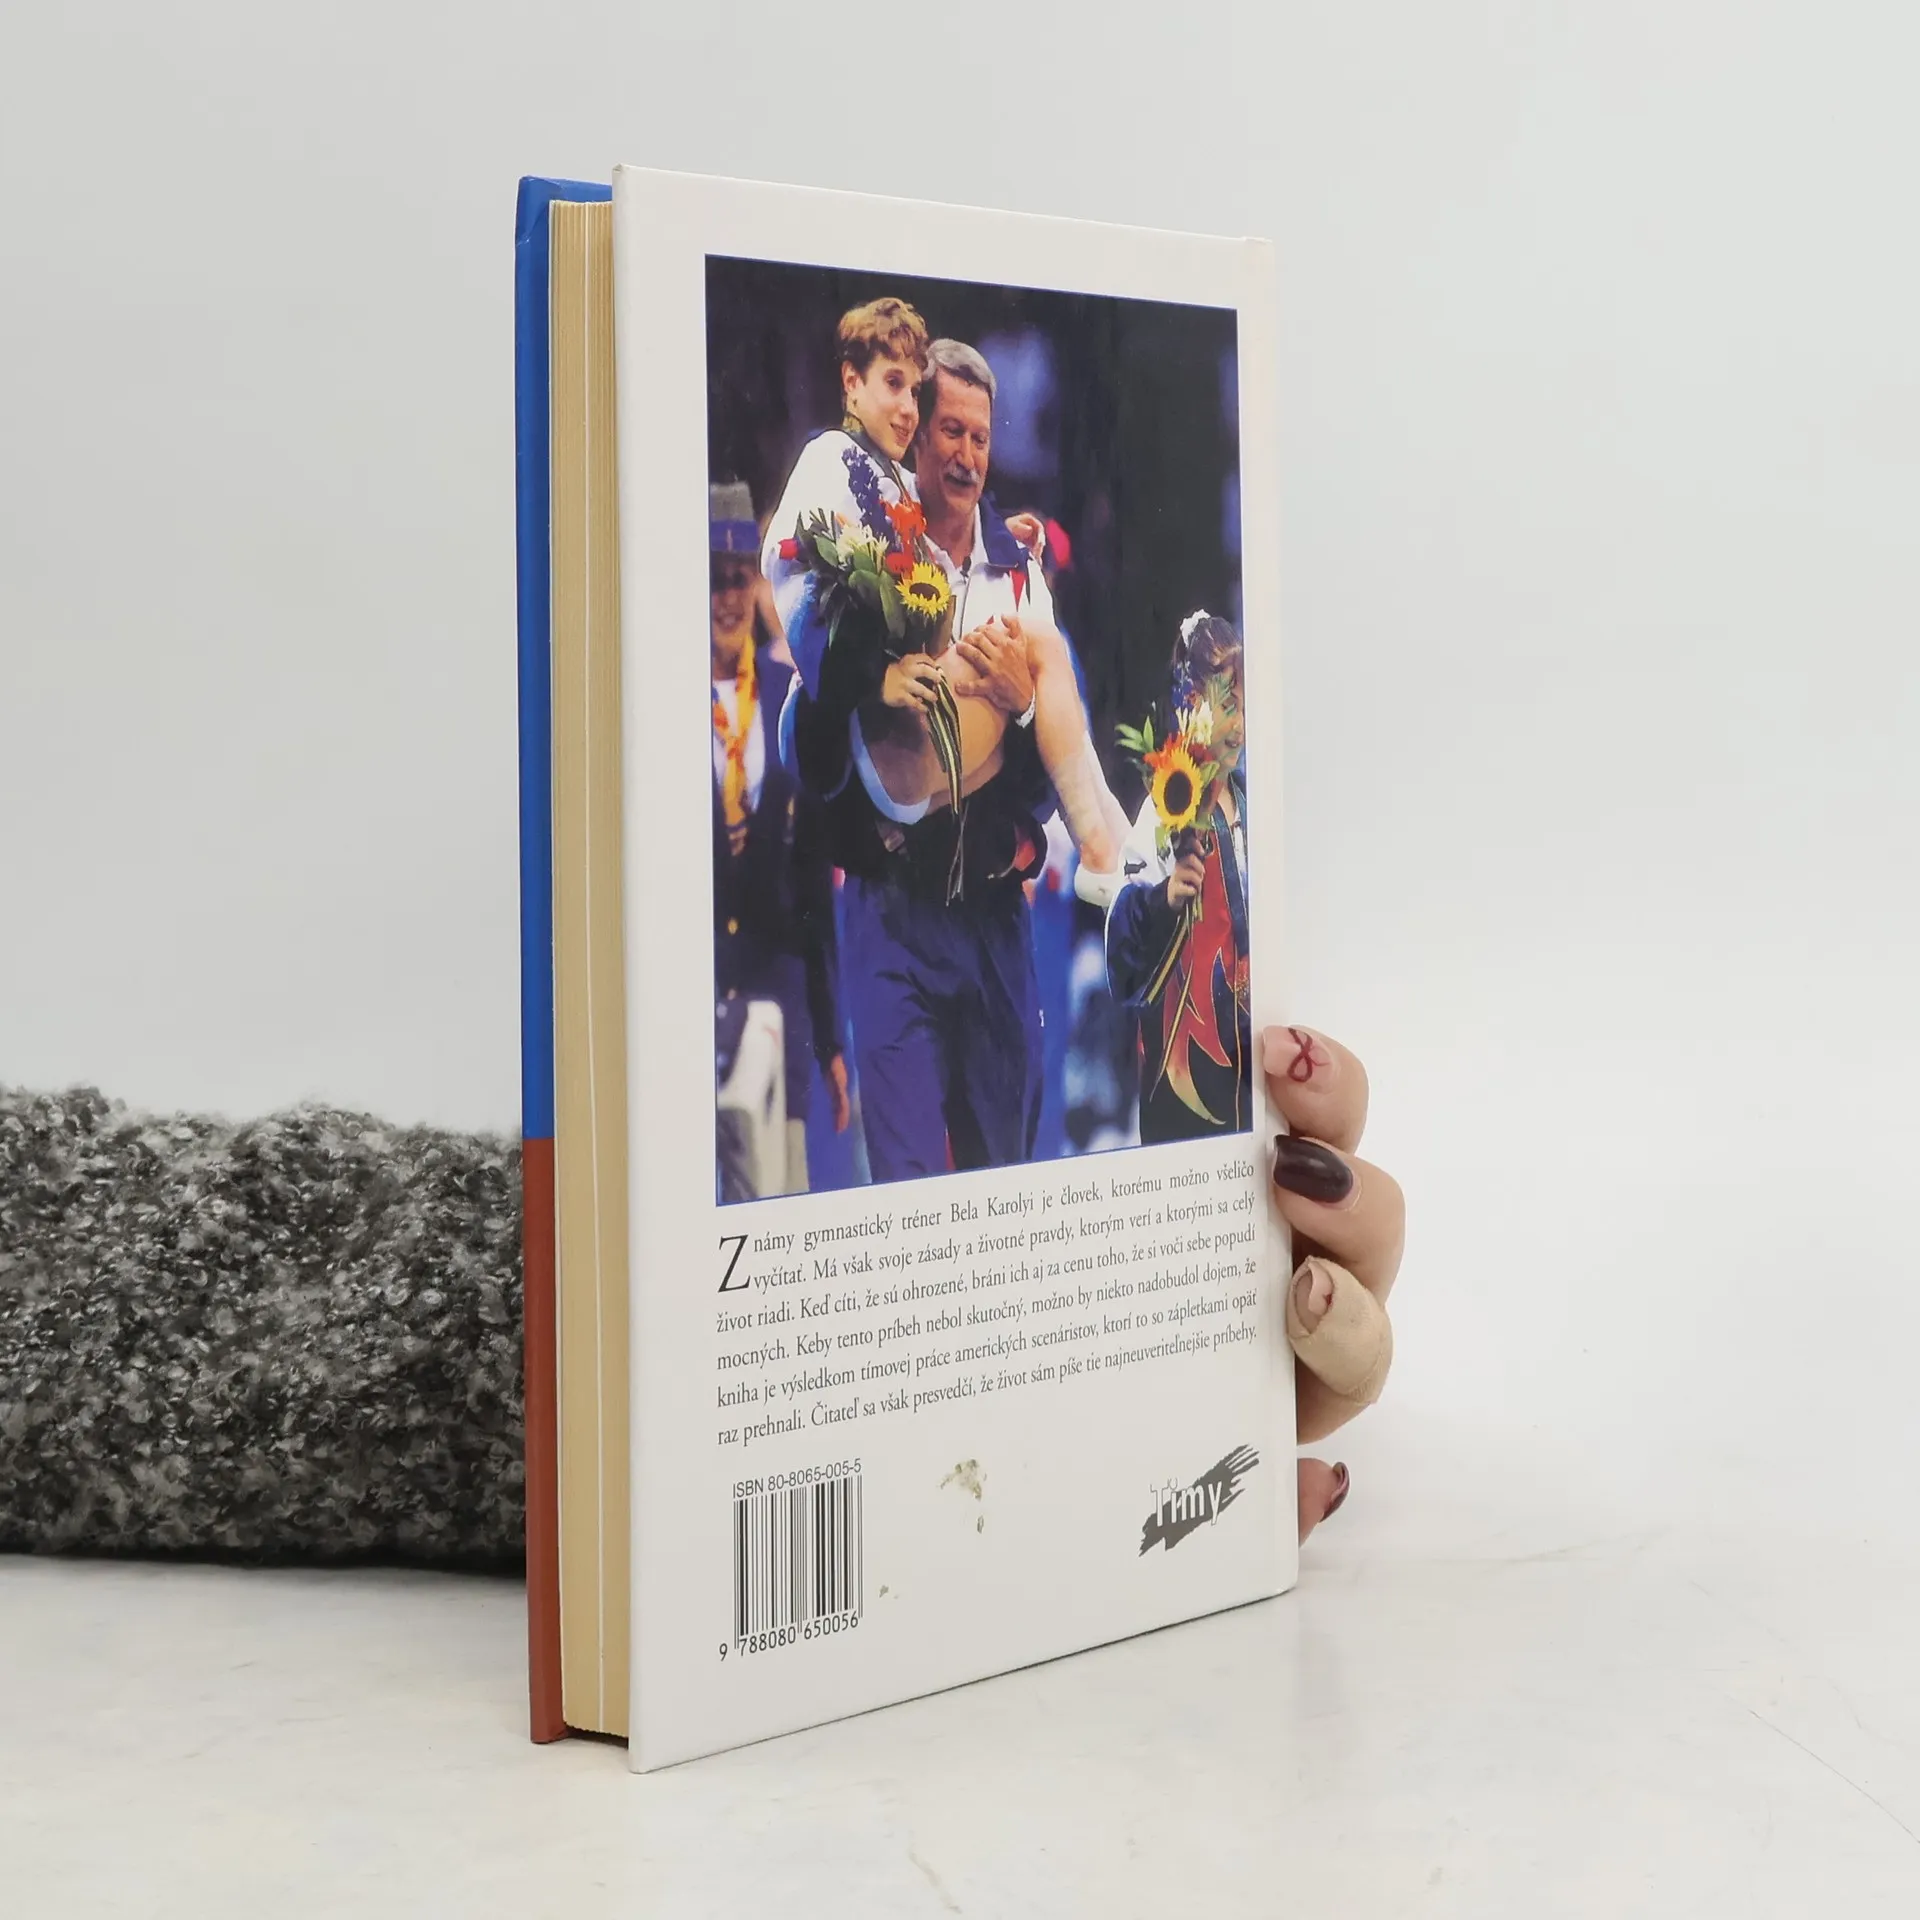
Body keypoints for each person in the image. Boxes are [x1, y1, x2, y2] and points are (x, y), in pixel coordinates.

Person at [760, 304, 1130, 891]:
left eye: (980, 438)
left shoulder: (899, 496)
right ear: (852, 383)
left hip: (941, 817)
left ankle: (1118, 856)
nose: (906, 409)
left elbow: (1057, 750)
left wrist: (1023, 708)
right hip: (883, 758)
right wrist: (875, 679)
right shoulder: (843, 465)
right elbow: (790, 574)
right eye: (950, 431)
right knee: (1038, 648)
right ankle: (1111, 859)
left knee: (1037, 689)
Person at [709, 481, 849, 1197]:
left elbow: (813, 889)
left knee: (783, 1196)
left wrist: (829, 1039)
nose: (729, 599)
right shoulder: (658, 703)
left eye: (740, 579)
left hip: (782, 1005)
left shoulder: (786, 694)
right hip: (700, 1010)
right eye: (713, 580)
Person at [1103, 612, 1252, 1142]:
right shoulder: (1165, 811)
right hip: (1185, 1059)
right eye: (1228, 706)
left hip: (1249, 1056)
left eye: (1244, 706)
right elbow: (1120, 951)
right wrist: (1164, 900)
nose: (1240, 725)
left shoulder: (1252, 804)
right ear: (1192, 705)